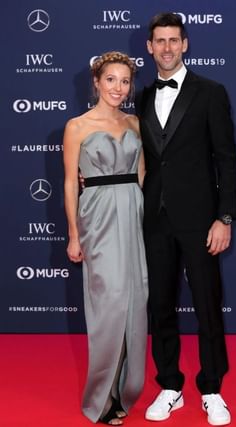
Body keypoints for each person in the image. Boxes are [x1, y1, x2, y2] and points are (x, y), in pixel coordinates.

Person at [137, 12, 236, 426]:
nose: (166, 47)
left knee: (207, 305)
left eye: (173, 40)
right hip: (154, 218)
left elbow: (226, 159)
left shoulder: (210, 92)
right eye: (159, 41)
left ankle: (212, 389)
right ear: (149, 47)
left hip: (200, 219)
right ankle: (170, 386)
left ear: (185, 44)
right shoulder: (141, 97)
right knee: (160, 305)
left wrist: (225, 217)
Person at [63, 51, 147, 426]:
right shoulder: (77, 126)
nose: (118, 87)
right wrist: (73, 234)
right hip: (97, 216)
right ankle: (101, 396)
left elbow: (142, 174)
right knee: (109, 305)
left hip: (133, 213)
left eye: (125, 81)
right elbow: (70, 183)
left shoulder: (135, 123)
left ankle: (125, 390)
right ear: (96, 82)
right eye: (111, 79)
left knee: (135, 303)